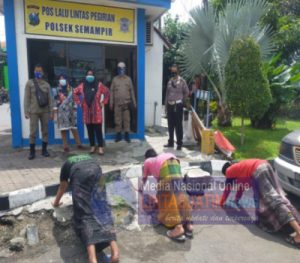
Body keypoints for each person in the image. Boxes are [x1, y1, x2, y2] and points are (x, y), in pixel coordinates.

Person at [53, 154, 119, 263]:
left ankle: (92, 259)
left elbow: (63, 186)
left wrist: (56, 202)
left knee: (84, 213)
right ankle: (115, 253)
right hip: (96, 170)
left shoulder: (66, 164)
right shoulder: (88, 157)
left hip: (80, 175)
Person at [220, 159, 300, 247]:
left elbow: (228, 188)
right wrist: (236, 199)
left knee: (274, 201)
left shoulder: (229, 170)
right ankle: (292, 222)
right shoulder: (241, 167)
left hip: (259, 170)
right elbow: (243, 186)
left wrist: (221, 203)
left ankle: (298, 231)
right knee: (279, 197)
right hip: (266, 166)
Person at [142, 149, 193, 242]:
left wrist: (142, 188)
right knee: (180, 195)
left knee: (166, 199)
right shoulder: (158, 158)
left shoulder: (147, 161)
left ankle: (178, 228)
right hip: (175, 163)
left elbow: (144, 177)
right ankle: (189, 225)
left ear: (146, 157)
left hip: (165, 167)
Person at [74, 70, 109, 155]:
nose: (89, 76)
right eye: (88, 75)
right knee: (90, 131)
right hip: (87, 113)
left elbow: (107, 92)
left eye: (91, 75)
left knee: (98, 131)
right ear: (86, 76)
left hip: (96, 112)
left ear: (94, 76)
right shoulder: (82, 86)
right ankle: (92, 146)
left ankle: (100, 147)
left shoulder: (99, 85)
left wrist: (103, 102)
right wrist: (79, 103)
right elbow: (74, 92)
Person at [24, 64, 53, 160]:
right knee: (32, 132)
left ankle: (44, 150)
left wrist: (51, 112)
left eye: (40, 71)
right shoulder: (29, 83)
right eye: (36, 71)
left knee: (45, 131)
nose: (38, 72)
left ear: (43, 72)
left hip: (45, 112)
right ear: (34, 72)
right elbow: (26, 98)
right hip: (33, 112)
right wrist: (26, 111)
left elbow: (50, 100)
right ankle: (32, 152)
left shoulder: (46, 85)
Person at [53, 74, 83, 152]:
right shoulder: (56, 90)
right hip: (61, 112)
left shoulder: (72, 89)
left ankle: (78, 144)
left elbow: (75, 100)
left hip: (71, 111)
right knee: (63, 129)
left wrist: (75, 109)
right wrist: (55, 110)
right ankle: (65, 145)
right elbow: (55, 101)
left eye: (63, 79)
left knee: (74, 128)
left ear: (67, 80)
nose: (61, 80)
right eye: (60, 79)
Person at [109, 62, 136, 143]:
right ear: (117, 69)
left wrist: (134, 103)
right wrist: (111, 102)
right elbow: (111, 91)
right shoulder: (114, 79)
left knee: (127, 120)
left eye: (123, 68)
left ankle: (127, 135)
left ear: (125, 69)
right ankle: (118, 135)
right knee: (117, 120)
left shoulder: (128, 79)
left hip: (126, 104)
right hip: (117, 104)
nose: (121, 70)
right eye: (120, 68)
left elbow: (132, 91)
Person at [164, 65, 189, 151]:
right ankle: (170, 142)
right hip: (170, 105)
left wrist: (182, 101)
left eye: (175, 71)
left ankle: (179, 143)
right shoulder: (170, 81)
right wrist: (166, 106)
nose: (173, 72)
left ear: (178, 71)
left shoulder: (182, 81)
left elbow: (186, 92)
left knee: (178, 125)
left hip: (178, 106)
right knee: (170, 125)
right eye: (172, 71)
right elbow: (167, 94)